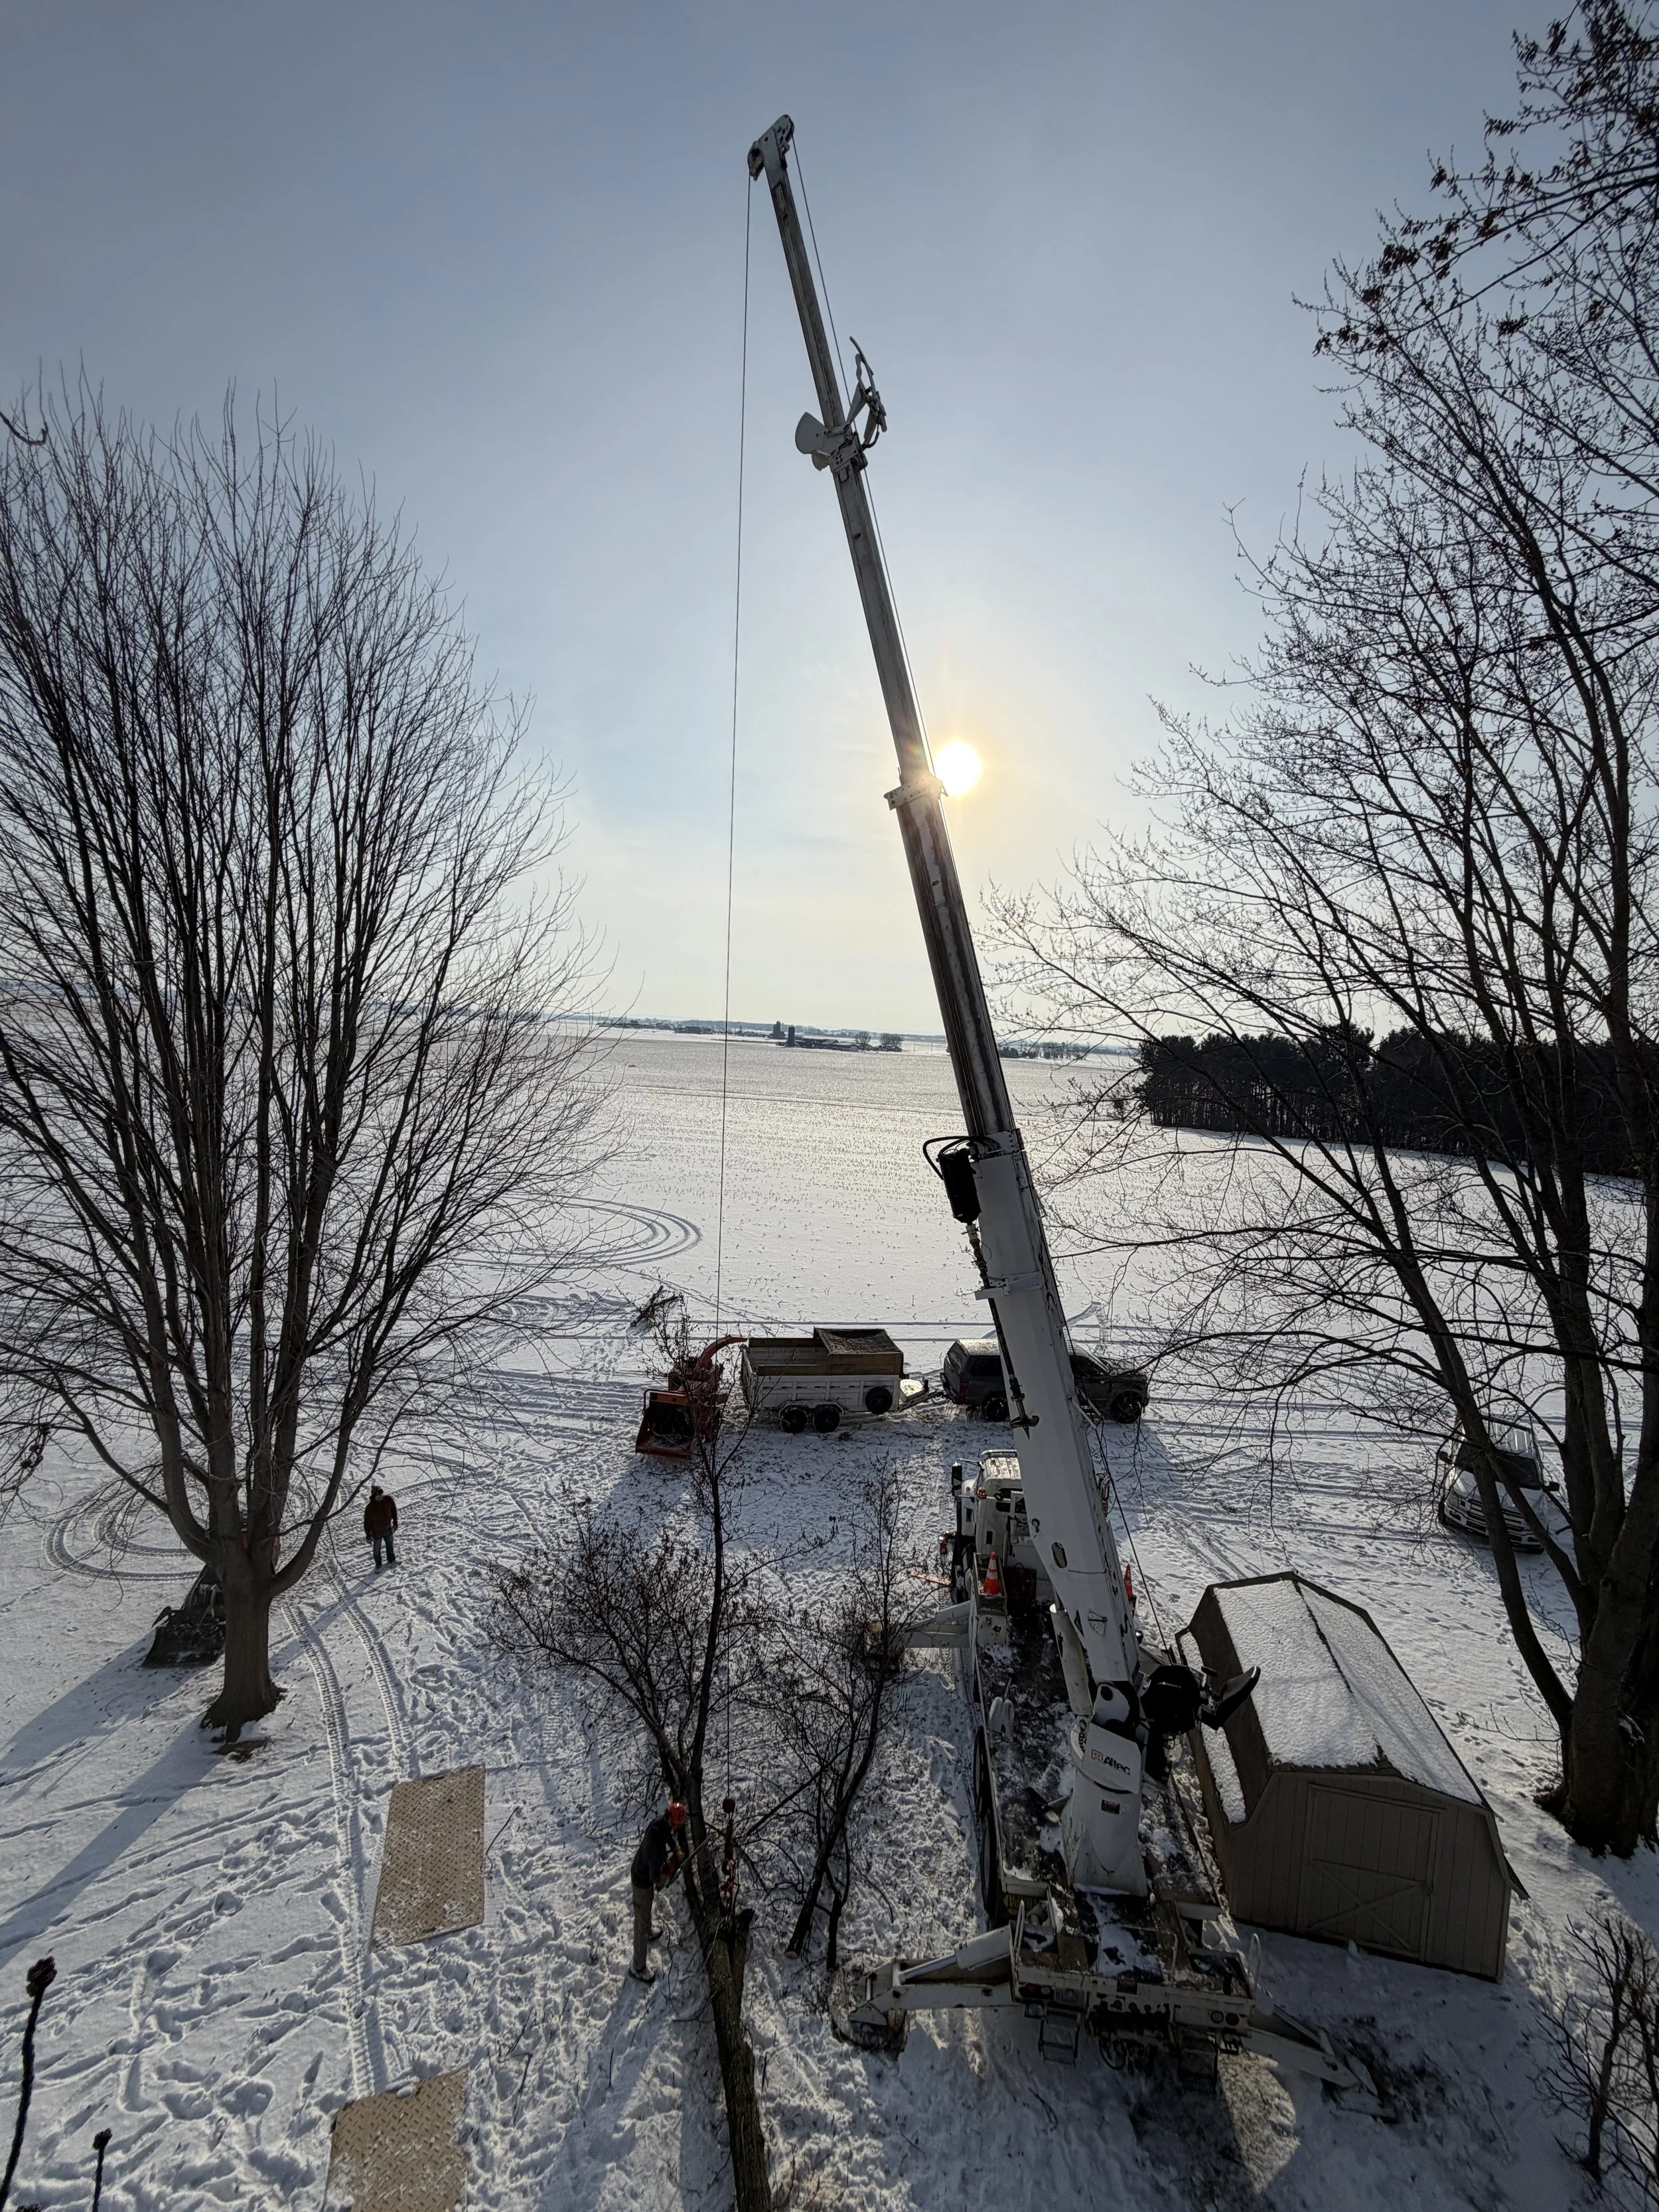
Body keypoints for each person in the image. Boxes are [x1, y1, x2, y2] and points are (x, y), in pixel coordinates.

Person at [628, 1800, 685, 1983]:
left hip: (643, 1871)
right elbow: (656, 1879)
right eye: (676, 1826)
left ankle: (648, 1930)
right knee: (641, 1917)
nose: (676, 1830)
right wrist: (669, 1872)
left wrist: (676, 1849)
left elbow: (668, 1836)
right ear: (671, 1821)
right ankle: (638, 1966)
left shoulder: (658, 1823)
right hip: (642, 1880)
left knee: (646, 1910)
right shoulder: (657, 1849)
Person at [363, 1483, 398, 1570]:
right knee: (376, 1550)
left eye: (381, 1494)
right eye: (377, 1495)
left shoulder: (388, 1500)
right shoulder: (370, 1508)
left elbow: (394, 1511)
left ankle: (391, 1560)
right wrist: (368, 1535)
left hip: (387, 1529)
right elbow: (367, 1523)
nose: (380, 1496)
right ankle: (378, 1565)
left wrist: (395, 1522)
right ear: (374, 1496)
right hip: (376, 1533)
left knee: (390, 1545)